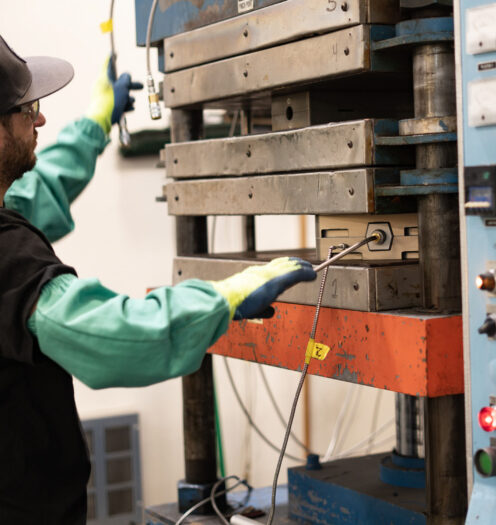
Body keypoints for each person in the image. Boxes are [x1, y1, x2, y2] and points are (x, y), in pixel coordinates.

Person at [0, 35, 316, 524]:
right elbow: (108, 335)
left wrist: (96, 122)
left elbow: (42, 191)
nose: (40, 119)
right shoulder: (7, 258)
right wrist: (222, 299)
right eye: (28, 109)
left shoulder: (8, 215)